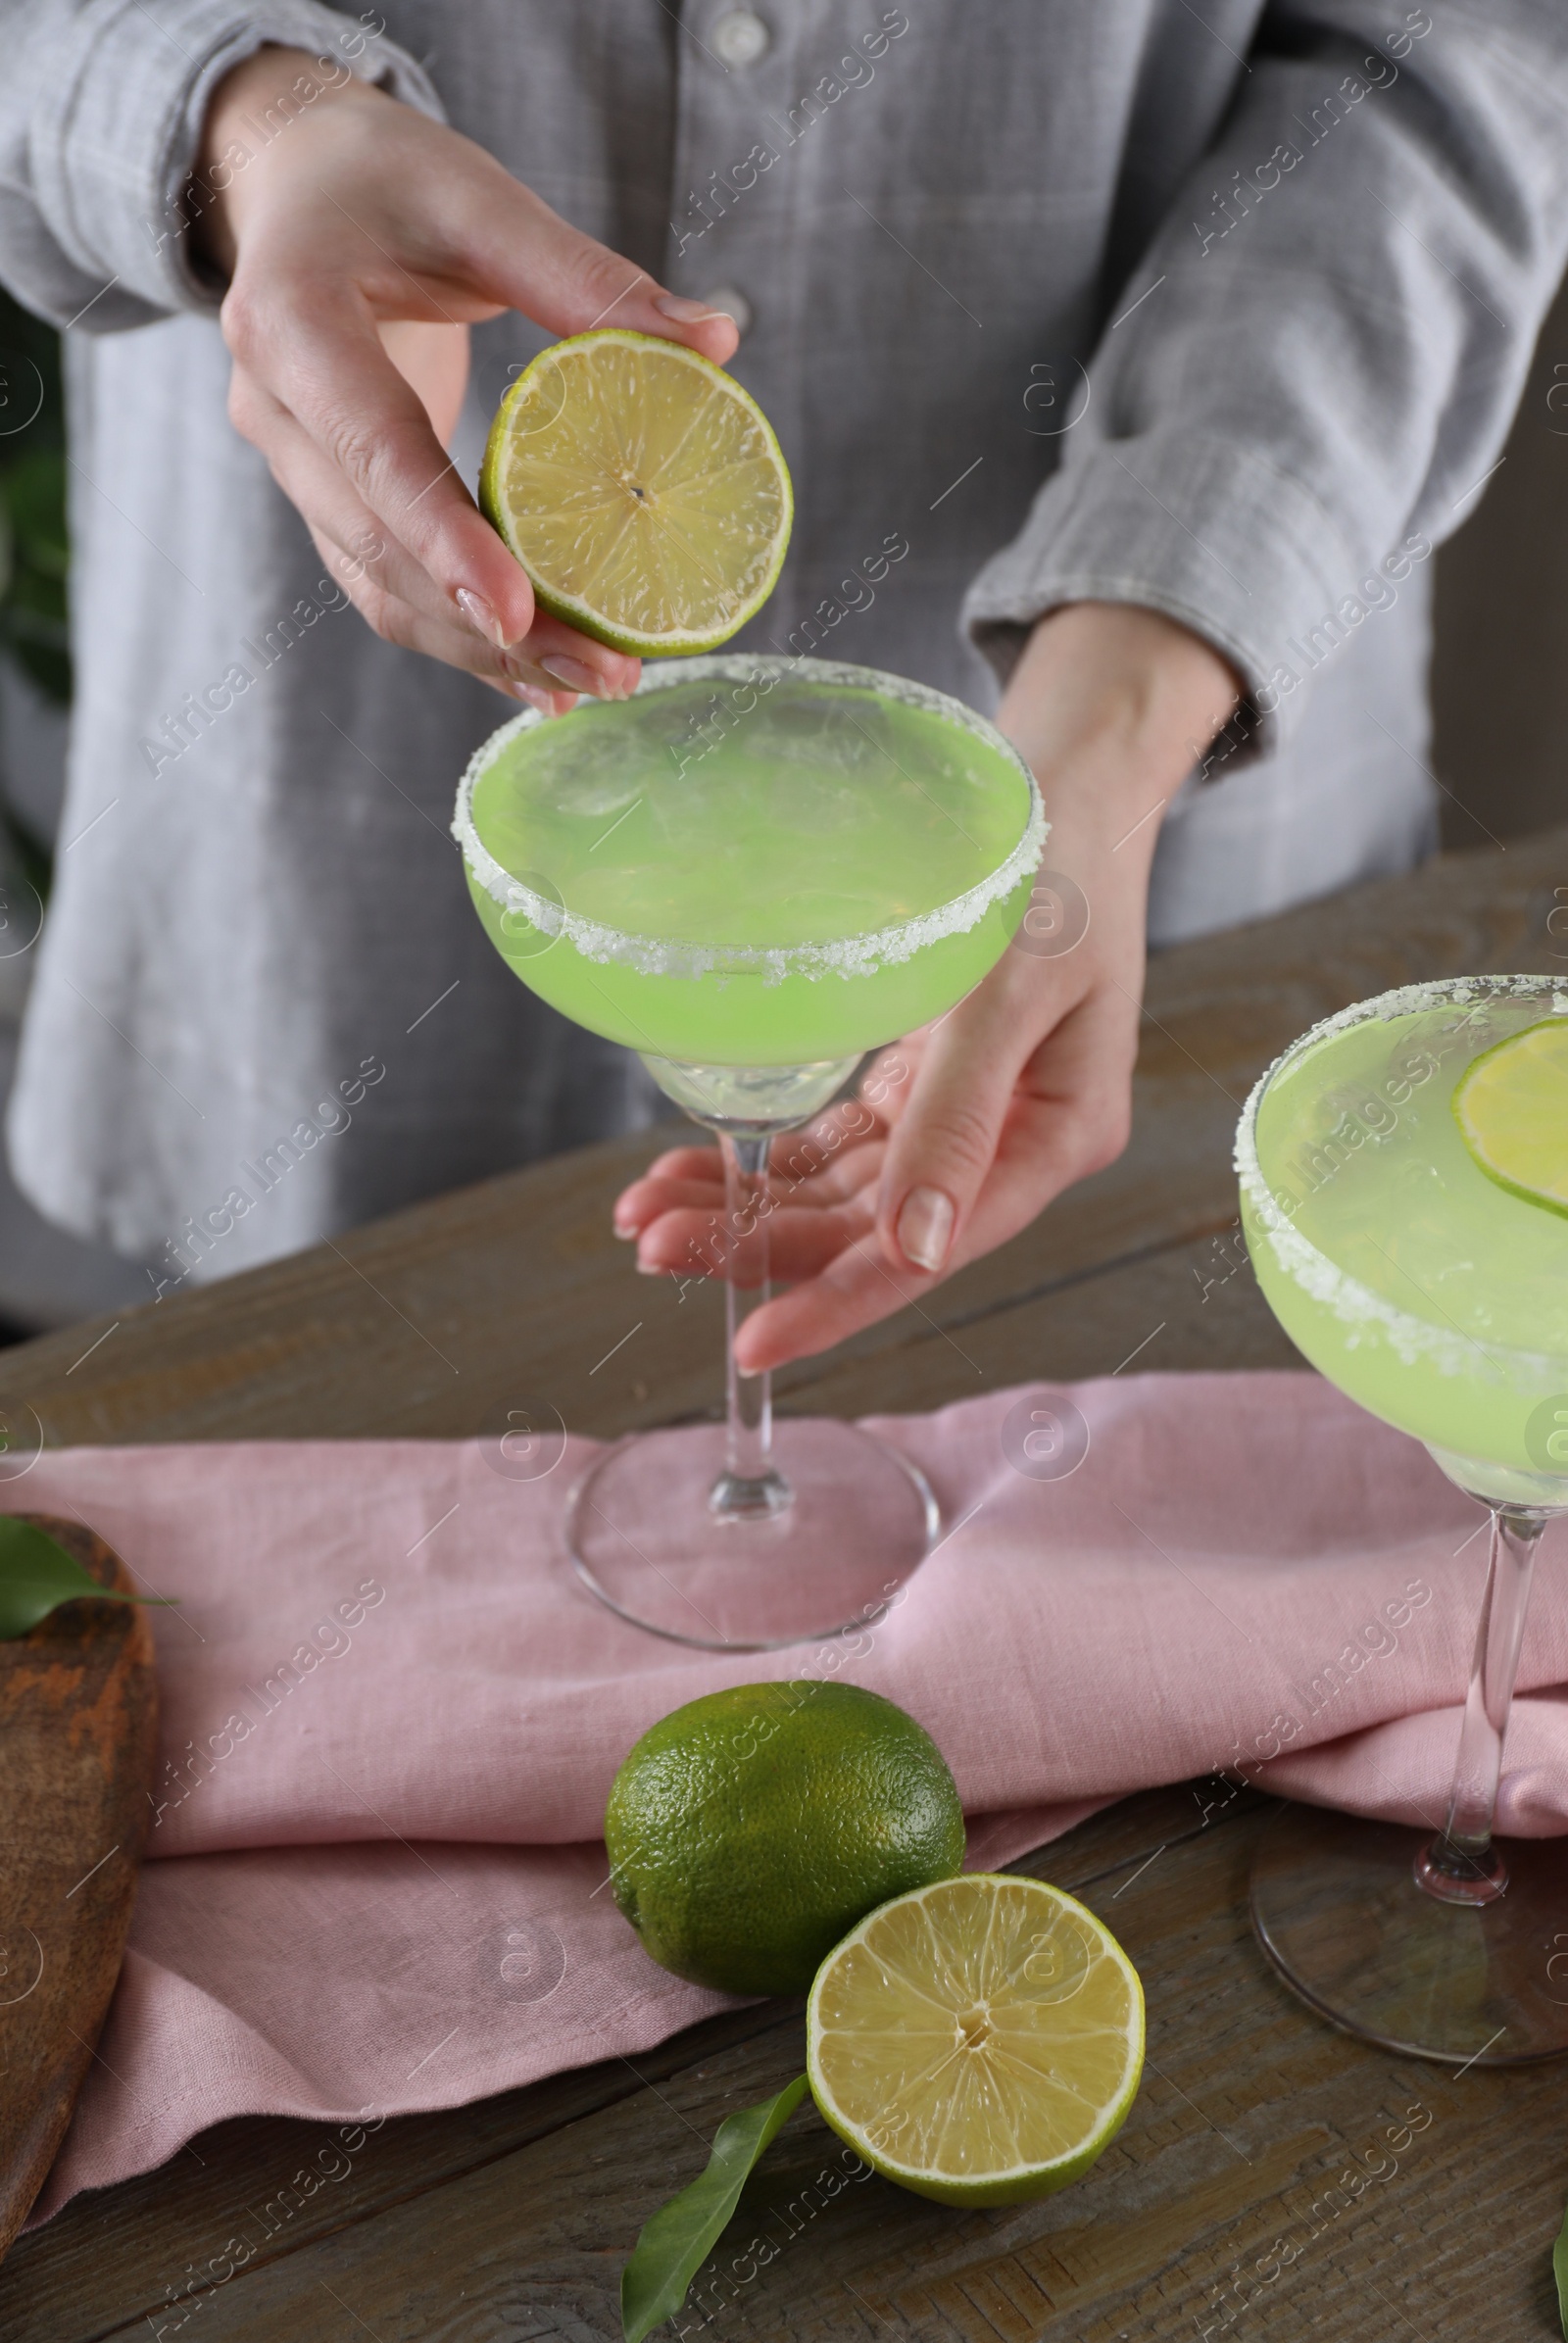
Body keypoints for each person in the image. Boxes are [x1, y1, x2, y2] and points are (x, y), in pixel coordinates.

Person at [0, 4, 1562, 1370]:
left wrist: (1120, 719)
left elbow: (1454, 54)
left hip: (1151, 784)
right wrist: (246, 124)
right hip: (324, 815)